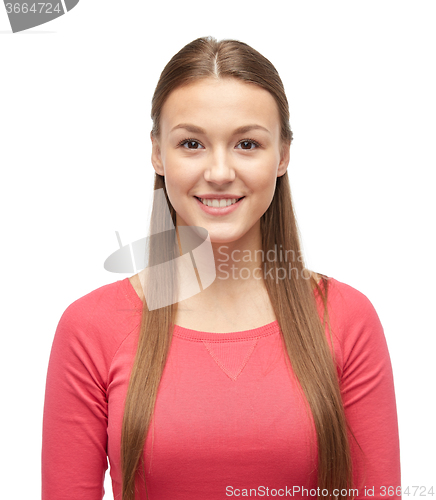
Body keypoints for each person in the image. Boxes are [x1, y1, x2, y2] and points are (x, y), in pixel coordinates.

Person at [41, 36, 401, 500]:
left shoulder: (348, 320)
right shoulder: (89, 329)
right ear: (157, 153)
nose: (218, 171)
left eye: (246, 143)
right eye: (191, 143)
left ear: (283, 155)